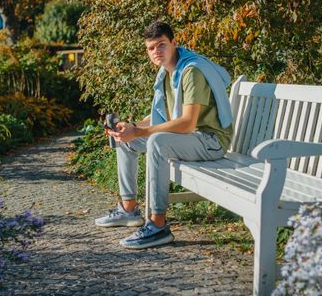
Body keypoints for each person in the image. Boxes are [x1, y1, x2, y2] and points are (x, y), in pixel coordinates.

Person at [95, 21, 233, 249]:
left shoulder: (190, 71)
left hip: (211, 141)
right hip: (190, 140)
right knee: (126, 141)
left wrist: (141, 131)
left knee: (156, 142)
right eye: (151, 48)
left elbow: (187, 123)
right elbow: (160, 117)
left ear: (173, 43)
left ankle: (157, 226)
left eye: (161, 45)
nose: (156, 52)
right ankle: (129, 210)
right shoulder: (167, 72)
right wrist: (131, 128)